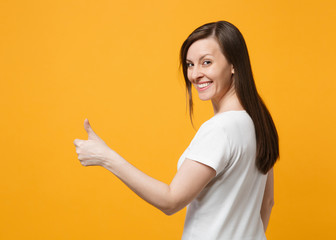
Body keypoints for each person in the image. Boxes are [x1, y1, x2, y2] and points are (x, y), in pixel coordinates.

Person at [74, 21, 279, 240]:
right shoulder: (257, 122)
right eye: (190, 64)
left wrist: (106, 157)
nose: (195, 74)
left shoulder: (220, 129)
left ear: (233, 64)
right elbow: (267, 203)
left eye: (206, 62)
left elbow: (171, 201)